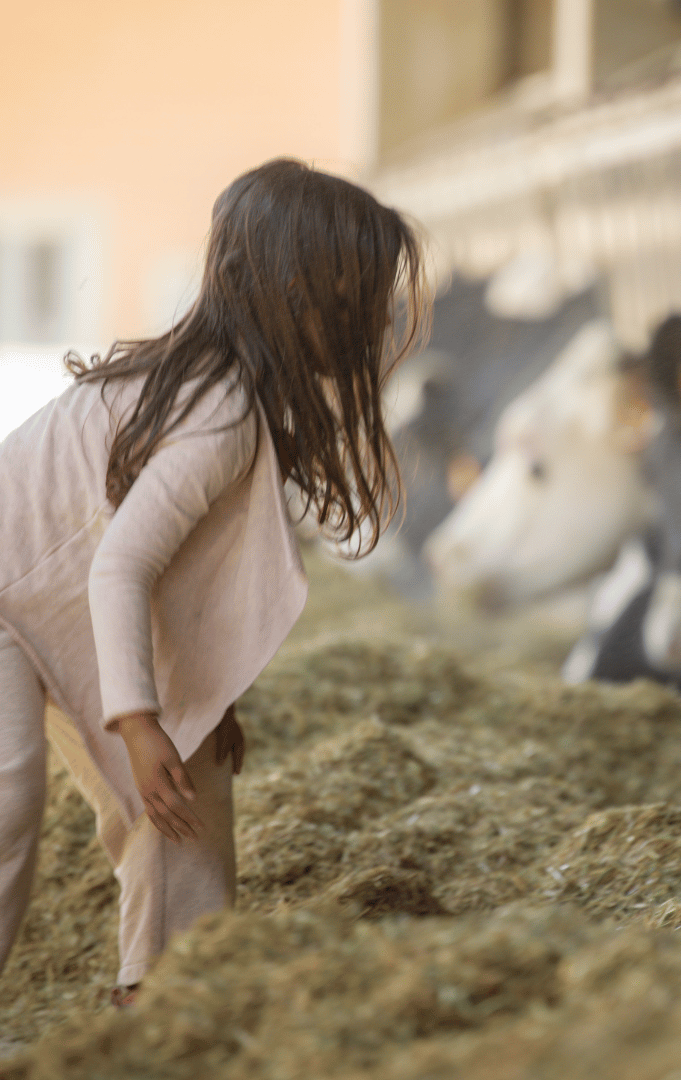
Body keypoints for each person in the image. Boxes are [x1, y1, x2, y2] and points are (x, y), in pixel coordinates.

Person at [0, 158, 429, 1008]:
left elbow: (179, 571)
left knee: (180, 796)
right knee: (8, 803)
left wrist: (201, 702)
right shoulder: (222, 407)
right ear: (290, 293)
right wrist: (138, 716)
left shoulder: (233, 396)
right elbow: (125, 562)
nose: (378, 313)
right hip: (13, 596)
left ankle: (164, 1000)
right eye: (357, 288)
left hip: (59, 597)